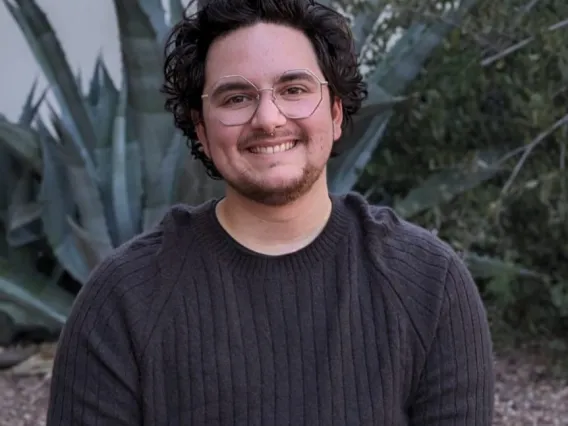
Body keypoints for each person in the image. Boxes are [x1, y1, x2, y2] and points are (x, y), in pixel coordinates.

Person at [46, 0, 495, 424]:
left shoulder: (430, 286)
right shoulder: (121, 302)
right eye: (236, 98)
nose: (268, 118)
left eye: (294, 89)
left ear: (336, 112)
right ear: (201, 131)